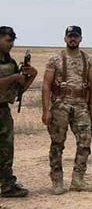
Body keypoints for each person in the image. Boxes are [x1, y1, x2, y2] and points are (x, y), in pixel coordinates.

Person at [42, 26, 92, 194]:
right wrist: (46, 110)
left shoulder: (87, 60)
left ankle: (78, 179)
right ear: (65, 38)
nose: (73, 39)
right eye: (70, 36)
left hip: (81, 105)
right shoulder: (55, 59)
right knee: (57, 143)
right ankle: (57, 181)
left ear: (81, 39)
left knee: (85, 141)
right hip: (61, 104)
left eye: (76, 36)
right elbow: (46, 85)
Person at [0, 26, 38, 198]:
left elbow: (18, 91)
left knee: (6, 149)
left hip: (3, 111)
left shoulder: (11, 63)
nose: (11, 44)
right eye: (8, 40)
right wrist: (14, 77)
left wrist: (31, 76)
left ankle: (7, 185)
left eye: (13, 41)